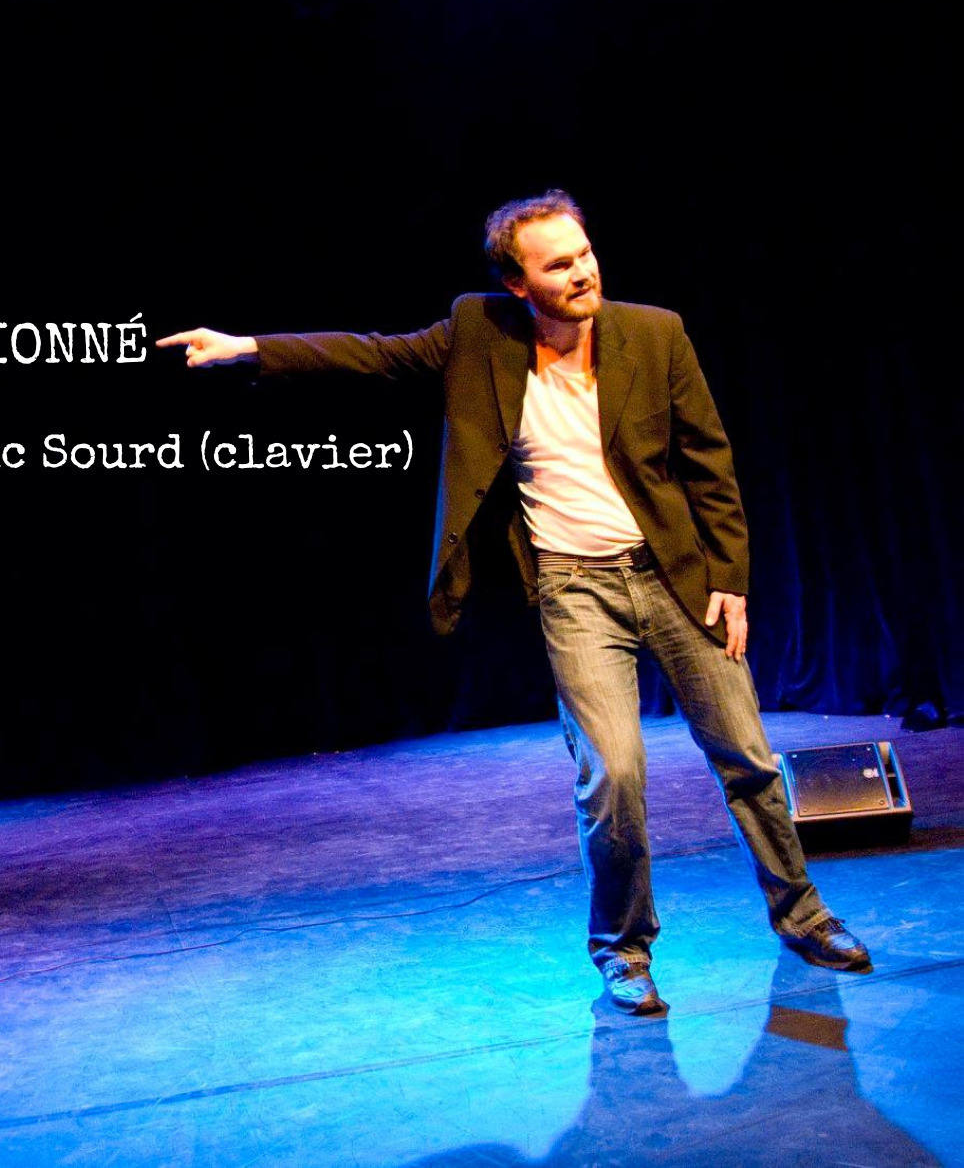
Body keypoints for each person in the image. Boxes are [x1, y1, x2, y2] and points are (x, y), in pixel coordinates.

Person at [156, 190, 871, 1015]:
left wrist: (730, 577)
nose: (583, 272)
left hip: (672, 574)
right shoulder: (480, 333)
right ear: (518, 282)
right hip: (574, 587)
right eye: (559, 264)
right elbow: (373, 356)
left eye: (585, 253)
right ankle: (623, 948)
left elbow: (709, 461)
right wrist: (247, 348)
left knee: (747, 753)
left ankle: (802, 914)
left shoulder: (655, 332)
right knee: (613, 773)